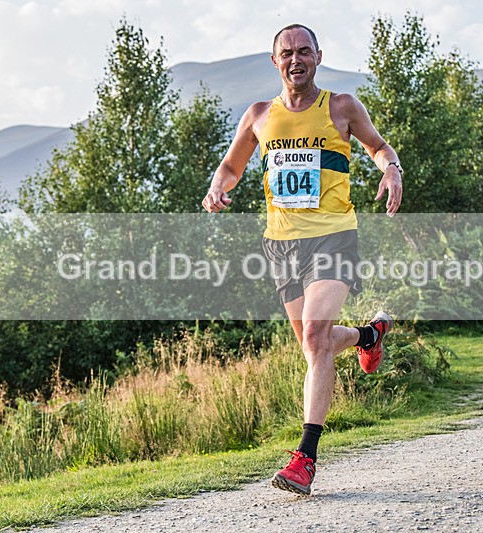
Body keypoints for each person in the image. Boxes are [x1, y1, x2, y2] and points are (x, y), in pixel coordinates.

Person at [202, 23, 403, 496]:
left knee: (314, 336)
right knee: (317, 346)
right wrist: (217, 188)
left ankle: (304, 459)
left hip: (334, 236)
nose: (296, 60)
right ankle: (368, 335)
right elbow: (232, 167)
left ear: (318, 56)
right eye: (287, 53)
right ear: (275, 61)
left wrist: (391, 169)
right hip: (281, 246)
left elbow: (377, 146)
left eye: (304, 52)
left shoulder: (341, 107)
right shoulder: (258, 115)